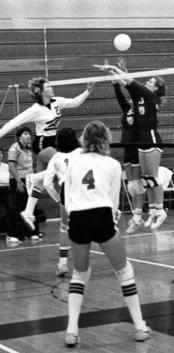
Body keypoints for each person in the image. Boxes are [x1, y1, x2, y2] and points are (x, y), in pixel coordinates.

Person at [64, 121, 151, 347]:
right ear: (105, 139)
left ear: (84, 139)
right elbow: (113, 203)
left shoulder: (72, 163)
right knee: (124, 271)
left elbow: (67, 198)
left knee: (79, 274)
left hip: (78, 218)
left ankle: (71, 331)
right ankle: (140, 327)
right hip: (101, 215)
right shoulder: (112, 164)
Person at [0, 77, 95, 230]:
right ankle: (73, 206)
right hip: (42, 144)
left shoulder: (56, 101)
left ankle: (28, 211)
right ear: (40, 91)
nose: (52, 88)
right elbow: (15, 121)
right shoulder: (36, 109)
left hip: (54, 142)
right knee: (65, 167)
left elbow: (74, 102)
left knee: (42, 180)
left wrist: (87, 91)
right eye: (48, 86)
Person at [96, 63, 167, 229]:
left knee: (151, 178)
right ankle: (153, 210)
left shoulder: (150, 96)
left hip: (151, 140)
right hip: (140, 141)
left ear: (156, 88)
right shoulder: (140, 98)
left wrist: (115, 69)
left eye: (150, 82)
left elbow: (131, 82)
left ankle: (160, 210)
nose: (147, 83)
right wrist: (114, 75)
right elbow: (127, 86)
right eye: (148, 81)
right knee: (145, 179)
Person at [112, 58, 146, 234]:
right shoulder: (128, 110)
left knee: (137, 185)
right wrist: (115, 83)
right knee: (132, 186)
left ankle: (138, 216)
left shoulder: (143, 111)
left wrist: (125, 73)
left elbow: (132, 88)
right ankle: (136, 214)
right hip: (127, 149)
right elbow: (120, 96)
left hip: (137, 148)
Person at [43, 127, 81, 276]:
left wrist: (58, 199)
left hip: (66, 189)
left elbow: (47, 183)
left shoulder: (56, 157)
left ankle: (63, 264)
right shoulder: (82, 153)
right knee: (85, 225)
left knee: (64, 227)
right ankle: (82, 263)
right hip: (82, 188)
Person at [7, 126, 42, 244]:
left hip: (30, 179)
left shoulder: (28, 149)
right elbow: (11, 166)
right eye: (25, 134)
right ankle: (12, 234)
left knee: (31, 206)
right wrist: (18, 181)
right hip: (18, 180)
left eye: (29, 134)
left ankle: (31, 232)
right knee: (17, 207)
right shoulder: (14, 148)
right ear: (19, 136)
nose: (28, 136)